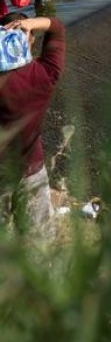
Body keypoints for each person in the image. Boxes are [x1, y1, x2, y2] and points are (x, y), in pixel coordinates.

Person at [0, 14, 65, 235]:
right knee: (40, 237)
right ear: (31, 40)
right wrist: (30, 25)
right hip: (31, 169)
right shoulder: (45, 74)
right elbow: (57, 29)